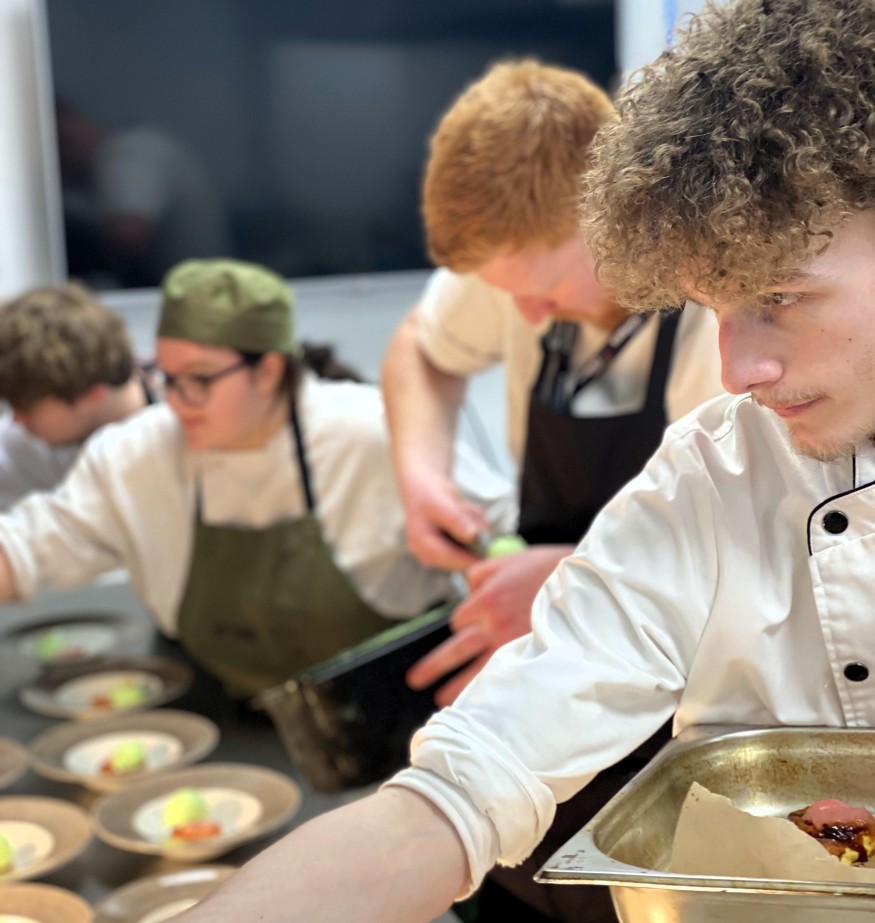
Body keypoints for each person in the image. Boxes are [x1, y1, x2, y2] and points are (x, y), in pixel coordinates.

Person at [169, 0, 875, 920]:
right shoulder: (714, 476)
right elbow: (467, 786)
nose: (737, 371)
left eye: (779, 298)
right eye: (713, 307)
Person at [381, 59, 724, 921]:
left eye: (540, 291)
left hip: (678, 727)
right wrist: (422, 475)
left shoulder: (722, 327)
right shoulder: (514, 268)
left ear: (615, 212)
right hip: (543, 701)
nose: (526, 317)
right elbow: (419, 347)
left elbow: (758, 560)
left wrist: (574, 579)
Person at [0, 259, 515, 697]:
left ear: (269, 370)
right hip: (225, 719)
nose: (176, 401)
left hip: (391, 724)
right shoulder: (135, 455)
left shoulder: (372, 433)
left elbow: (505, 536)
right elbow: (28, 548)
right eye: (168, 377)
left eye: (199, 380)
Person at [0, 281, 157, 509]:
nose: (17, 419)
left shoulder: (180, 434)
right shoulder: (25, 442)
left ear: (91, 394)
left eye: (25, 407)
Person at [55, 101, 231, 288]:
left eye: (63, 140)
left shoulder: (129, 150)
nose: (65, 154)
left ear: (85, 123)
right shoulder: (91, 176)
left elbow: (129, 236)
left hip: (195, 291)